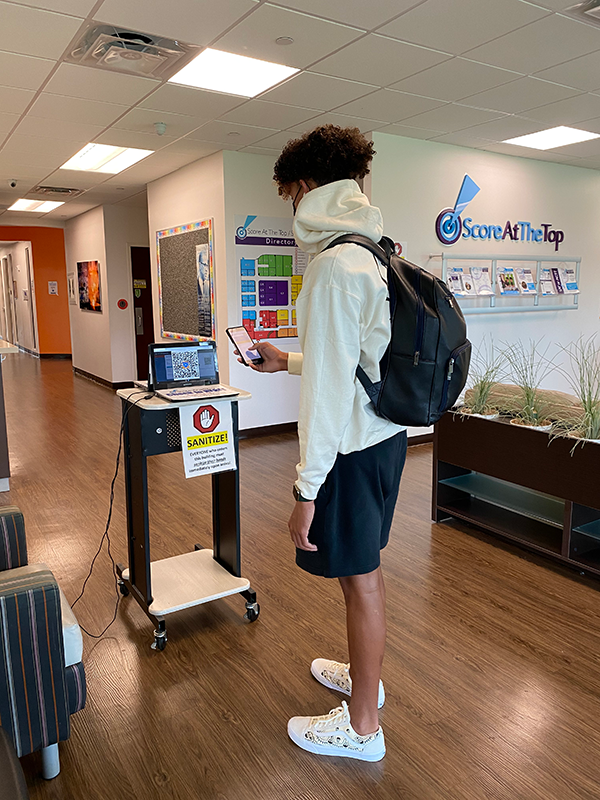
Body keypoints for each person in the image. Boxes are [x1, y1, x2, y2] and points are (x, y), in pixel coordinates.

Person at [240, 125, 407, 762]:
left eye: (291, 196)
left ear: (309, 190)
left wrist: (305, 489)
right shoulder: (375, 251)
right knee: (362, 574)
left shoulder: (337, 266)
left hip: (354, 450)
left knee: (361, 579)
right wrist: (286, 361)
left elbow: (332, 395)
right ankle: (364, 679)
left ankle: (362, 727)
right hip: (383, 438)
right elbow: (354, 362)